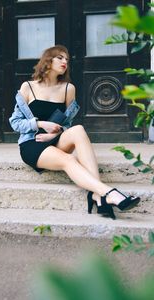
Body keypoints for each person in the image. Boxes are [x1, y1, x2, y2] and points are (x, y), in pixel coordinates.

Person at [9, 45, 140, 219]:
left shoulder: (68, 89)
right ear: (48, 60)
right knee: (69, 159)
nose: (65, 62)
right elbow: (15, 123)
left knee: (78, 129)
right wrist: (40, 124)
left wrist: (56, 133)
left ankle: (97, 194)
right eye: (60, 58)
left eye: (67, 60)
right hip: (33, 143)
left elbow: (68, 123)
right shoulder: (28, 87)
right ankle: (108, 193)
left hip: (55, 139)